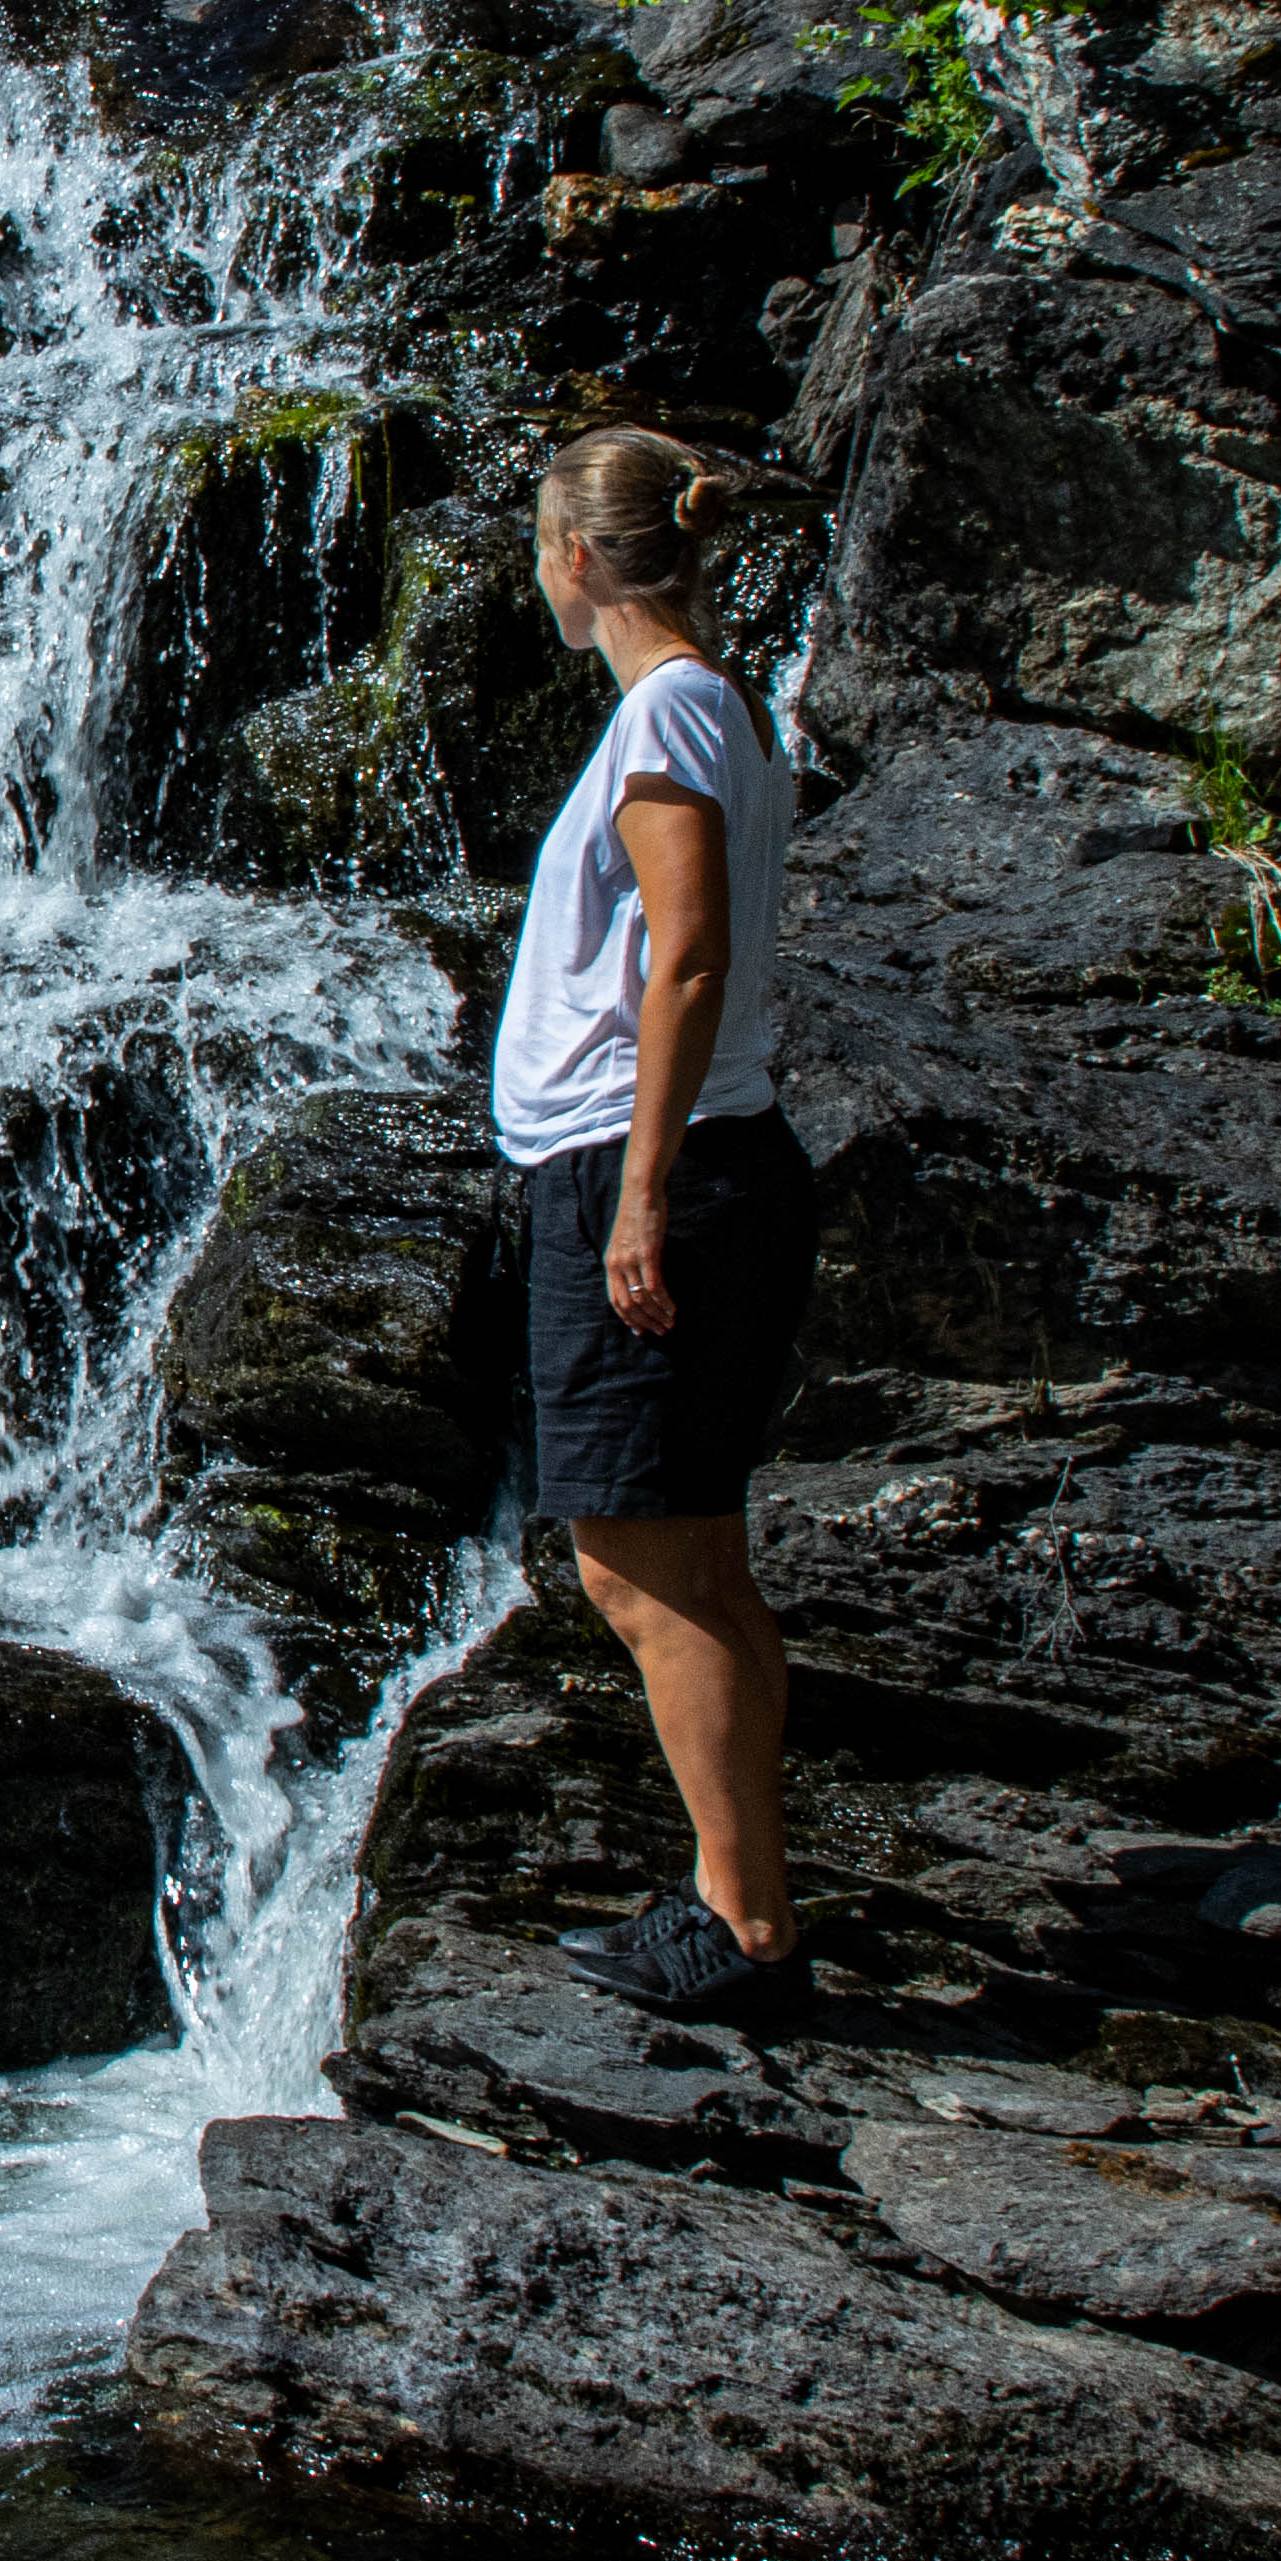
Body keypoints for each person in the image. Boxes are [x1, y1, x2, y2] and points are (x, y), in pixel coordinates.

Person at [494, 423, 815, 2025]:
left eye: (537, 546)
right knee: (693, 1559)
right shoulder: (707, 708)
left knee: (636, 1574)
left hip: (649, 1169)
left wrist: (636, 1189)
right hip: (690, 1157)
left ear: (575, 558)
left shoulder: (667, 713)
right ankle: (738, 1898)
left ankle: (741, 1928)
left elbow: (684, 957)